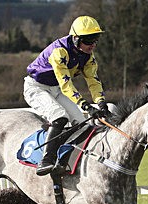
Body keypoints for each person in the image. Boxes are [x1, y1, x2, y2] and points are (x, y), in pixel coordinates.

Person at [24, 15, 111, 176]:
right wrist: (86, 105)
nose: (92, 45)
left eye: (95, 40)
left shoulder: (88, 57)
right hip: (36, 88)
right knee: (60, 117)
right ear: (76, 38)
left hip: (55, 89)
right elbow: (66, 85)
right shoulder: (60, 51)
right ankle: (46, 160)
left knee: (81, 123)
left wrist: (101, 103)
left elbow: (93, 81)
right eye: (88, 41)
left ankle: (64, 160)